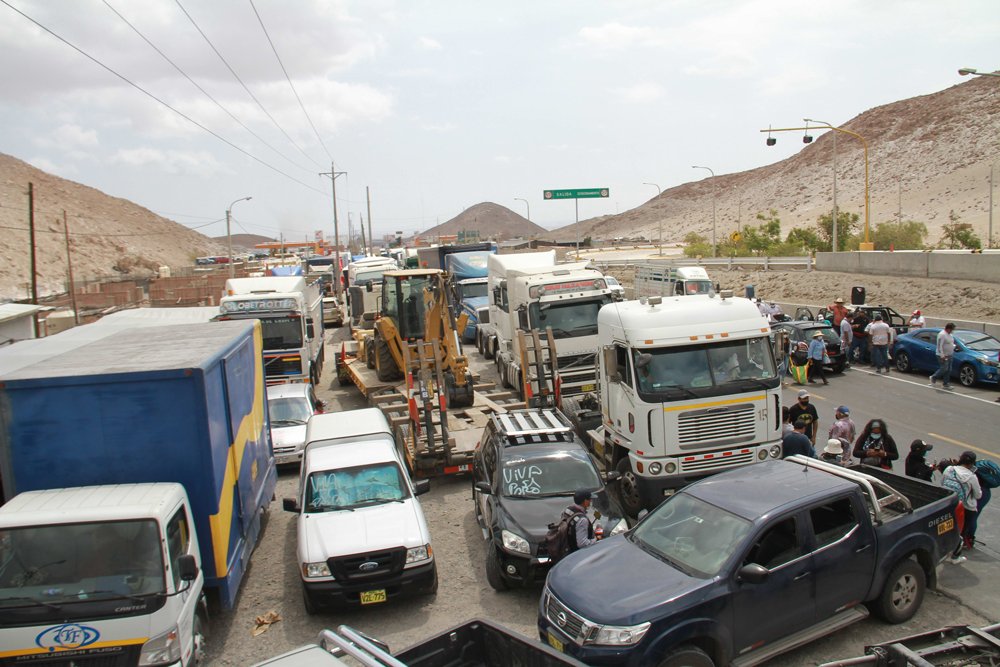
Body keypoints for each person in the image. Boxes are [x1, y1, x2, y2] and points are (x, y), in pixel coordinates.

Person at [942, 452, 982, 555]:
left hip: (948, 504)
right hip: (965, 507)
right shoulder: (971, 477)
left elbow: (942, 484)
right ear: (972, 464)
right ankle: (955, 555)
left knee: (946, 529)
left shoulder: (949, 469)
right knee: (960, 532)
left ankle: (944, 549)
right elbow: (978, 495)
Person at [563, 489, 598, 553]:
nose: (591, 501)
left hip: (567, 549)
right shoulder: (582, 520)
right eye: (590, 499)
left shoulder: (568, 509)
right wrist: (595, 540)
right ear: (585, 501)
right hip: (578, 554)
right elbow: (582, 543)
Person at [929, 322, 956, 390]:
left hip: (950, 354)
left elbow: (950, 343)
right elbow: (939, 345)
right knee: (944, 368)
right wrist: (942, 355)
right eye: (952, 329)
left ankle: (945, 383)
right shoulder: (942, 334)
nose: (952, 331)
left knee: (949, 369)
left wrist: (954, 347)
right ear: (948, 328)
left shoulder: (950, 335)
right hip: (943, 355)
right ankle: (933, 377)